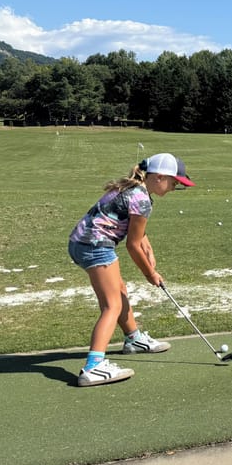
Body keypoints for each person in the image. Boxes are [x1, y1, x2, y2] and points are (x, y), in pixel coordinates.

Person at [68, 153, 195, 387]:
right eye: (174, 182)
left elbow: (137, 233)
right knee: (111, 306)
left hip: (83, 243)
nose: (176, 186)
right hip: (95, 246)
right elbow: (132, 245)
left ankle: (133, 339)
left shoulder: (135, 189)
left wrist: (149, 249)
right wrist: (150, 274)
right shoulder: (142, 199)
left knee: (119, 290)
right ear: (159, 178)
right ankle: (93, 366)